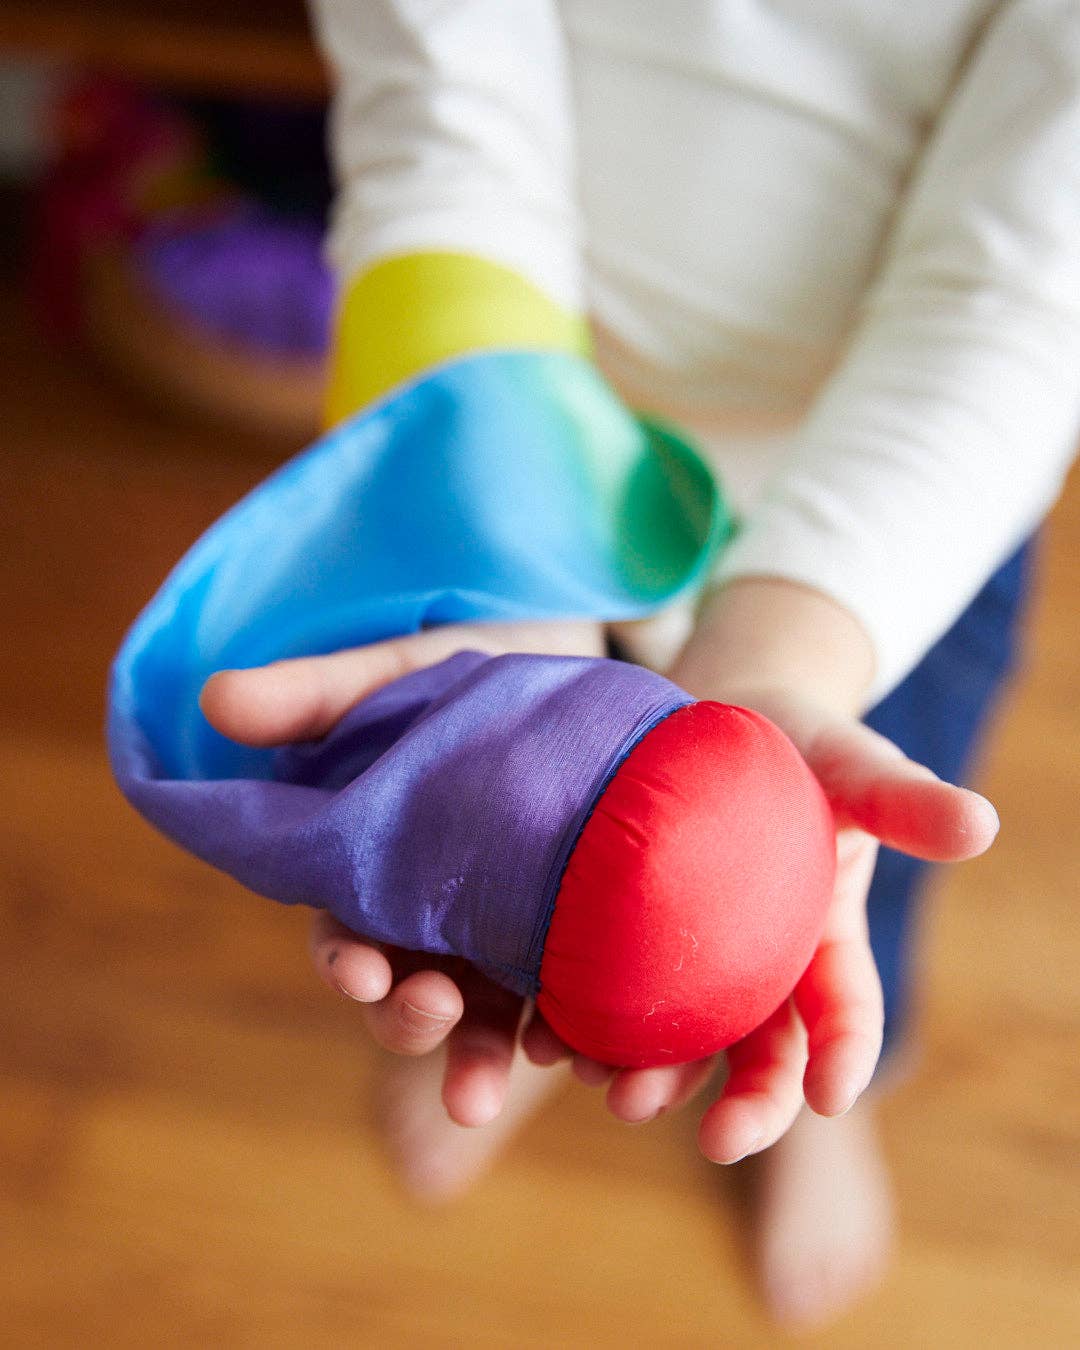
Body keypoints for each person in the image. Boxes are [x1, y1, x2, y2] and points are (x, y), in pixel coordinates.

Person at [199, 1, 1080, 1327]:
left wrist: (785, 643)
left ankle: (835, 1099)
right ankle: (567, 990)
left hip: (891, 520)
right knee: (515, 853)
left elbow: (1031, 280)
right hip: (530, 426)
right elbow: (446, 99)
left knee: (863, 861)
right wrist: (506, 565)